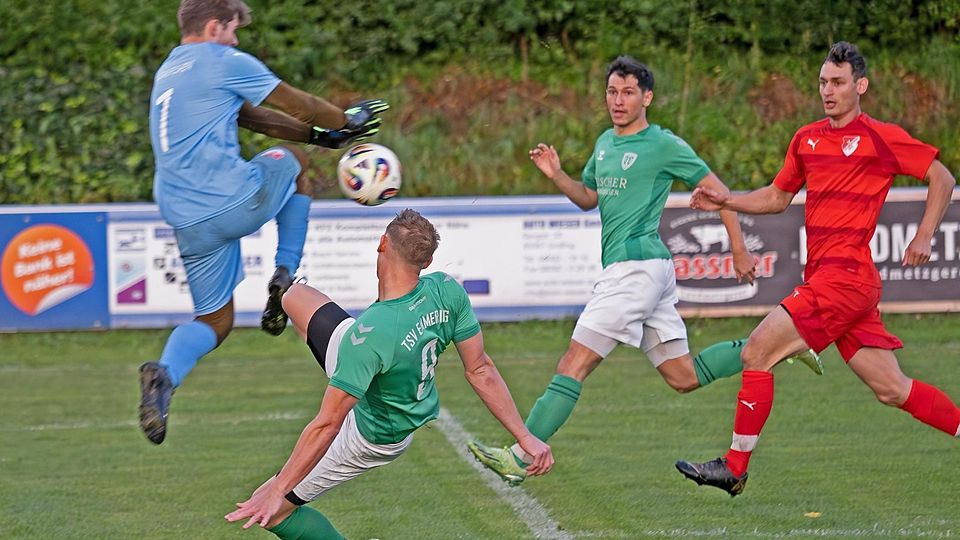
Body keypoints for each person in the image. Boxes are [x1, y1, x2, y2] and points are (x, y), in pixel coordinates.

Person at [467, 55, 822, 486]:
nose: (618, 101)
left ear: (647, 97)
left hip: (635, 272)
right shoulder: (604, 143)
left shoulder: (663, 145)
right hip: (644, 272)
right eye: (612, 92)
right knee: (682, 376)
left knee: (573, 362)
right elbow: (588, 198)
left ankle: (522, 456)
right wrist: (557, 174)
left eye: (628, 92)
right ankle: (779, 344)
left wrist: (738, 247)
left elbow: (718, 192)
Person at [676, 41, 959, 497]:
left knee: (757, 352)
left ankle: (734, 467)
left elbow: (941, 177)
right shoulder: (806, 139)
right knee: (891, 388)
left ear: (860, 86)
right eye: (824, 82)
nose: (828, 90)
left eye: (838, 82)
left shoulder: (879, 137)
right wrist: (726, 200)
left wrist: (924, 234)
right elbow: (777, 197)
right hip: (841, 283)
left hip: (844, 280)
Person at [139, 0, 389, 444]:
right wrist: (346, 122)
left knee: (215, 322)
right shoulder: (222, 60)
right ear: (214, 27)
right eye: (232, 30)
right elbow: (299, 104)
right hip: (230, 198)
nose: (235, 40)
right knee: (296, 164)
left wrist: (319, 136)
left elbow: (252, 118)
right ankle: (285, 272)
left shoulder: (169, 72)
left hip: (185, 217)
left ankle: (164, 374)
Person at [225, 209, 554, 538]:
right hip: (375, 357)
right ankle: (282, 303)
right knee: (294, 294)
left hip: (372, 432)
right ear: (427, 262)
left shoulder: (371, 335)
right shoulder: (446, 290)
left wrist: (279, 488)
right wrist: (525, 437)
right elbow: (480, 368)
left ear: (382, 243)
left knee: (270, 511)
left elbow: (327, 424)